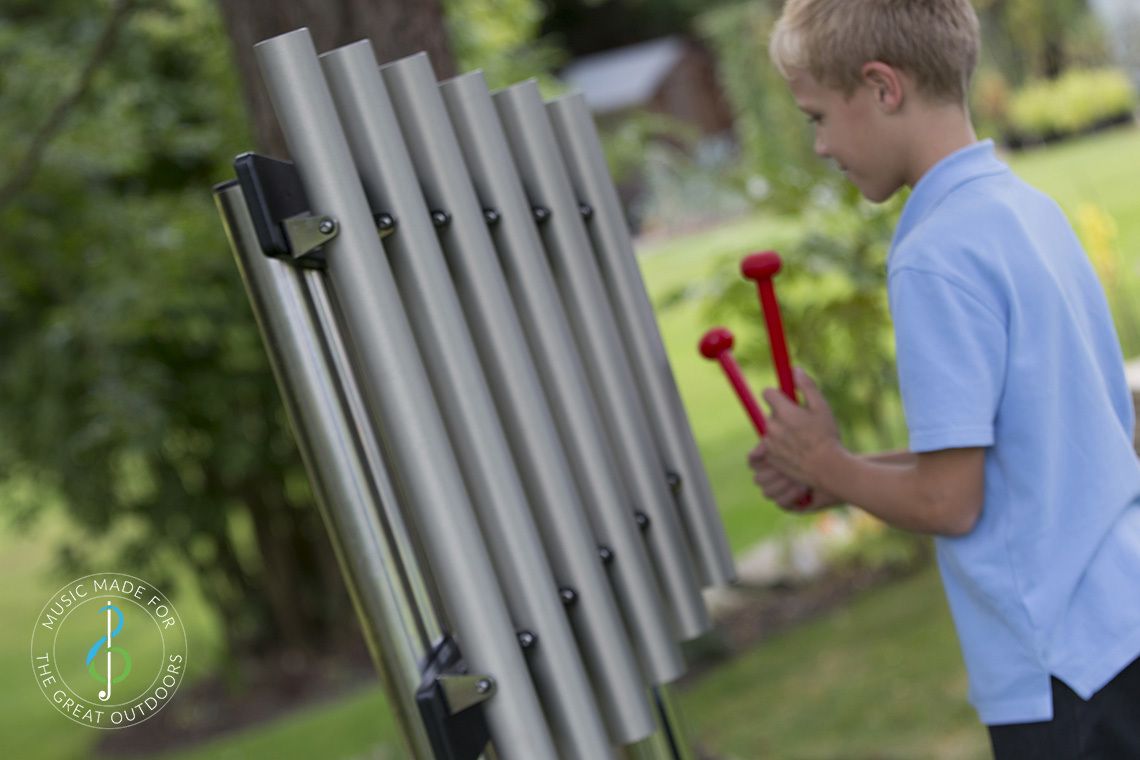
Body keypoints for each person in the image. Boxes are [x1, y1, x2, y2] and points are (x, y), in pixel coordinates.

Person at [747, 1, 1140, 756]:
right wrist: (845, 475)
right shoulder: (1025, 208)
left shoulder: (933, 253)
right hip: (1118, 625)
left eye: (819, 117)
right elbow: (1028, 446)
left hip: (1057, 666)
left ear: (882, 87)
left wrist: (827, 462)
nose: (822, 145)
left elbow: (949, 500)